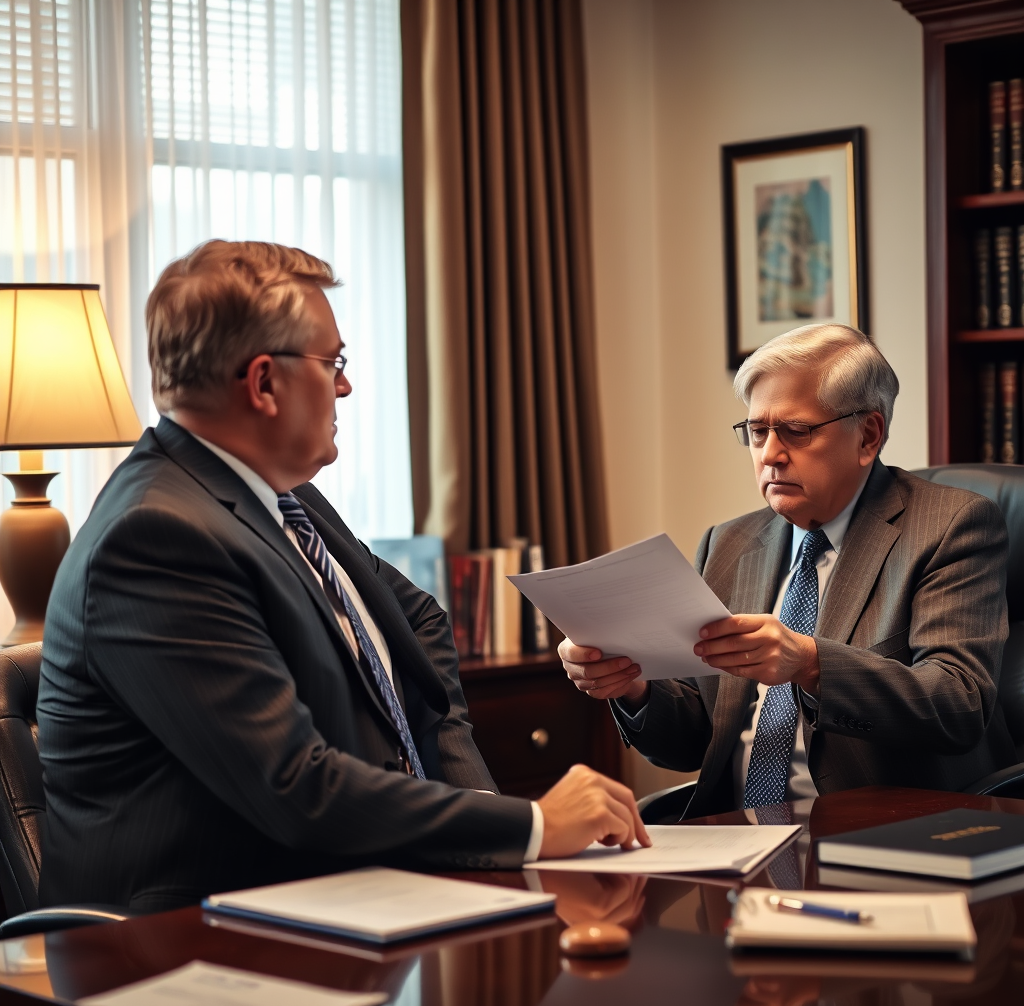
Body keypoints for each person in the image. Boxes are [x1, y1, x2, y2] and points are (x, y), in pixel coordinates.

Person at [37, 240, 648, 912]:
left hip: (341, 900)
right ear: (264, 383)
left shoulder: (286, 498)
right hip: (189, 941)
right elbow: (293, 786)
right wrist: (531, 825)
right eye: (333, 363)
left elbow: (417, 620)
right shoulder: (155, 536)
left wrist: (467, 795)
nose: (345, 386)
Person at [560, 324, 1017, 819]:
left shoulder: (950, 527)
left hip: (879, 832)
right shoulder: (726, 544)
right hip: (734, 832)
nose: (770, 455)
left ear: (868, 435)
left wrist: (811, 664)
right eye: (758, 432)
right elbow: (694, 741)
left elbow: (958, 705)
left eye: (796, 431)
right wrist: (633, 686)